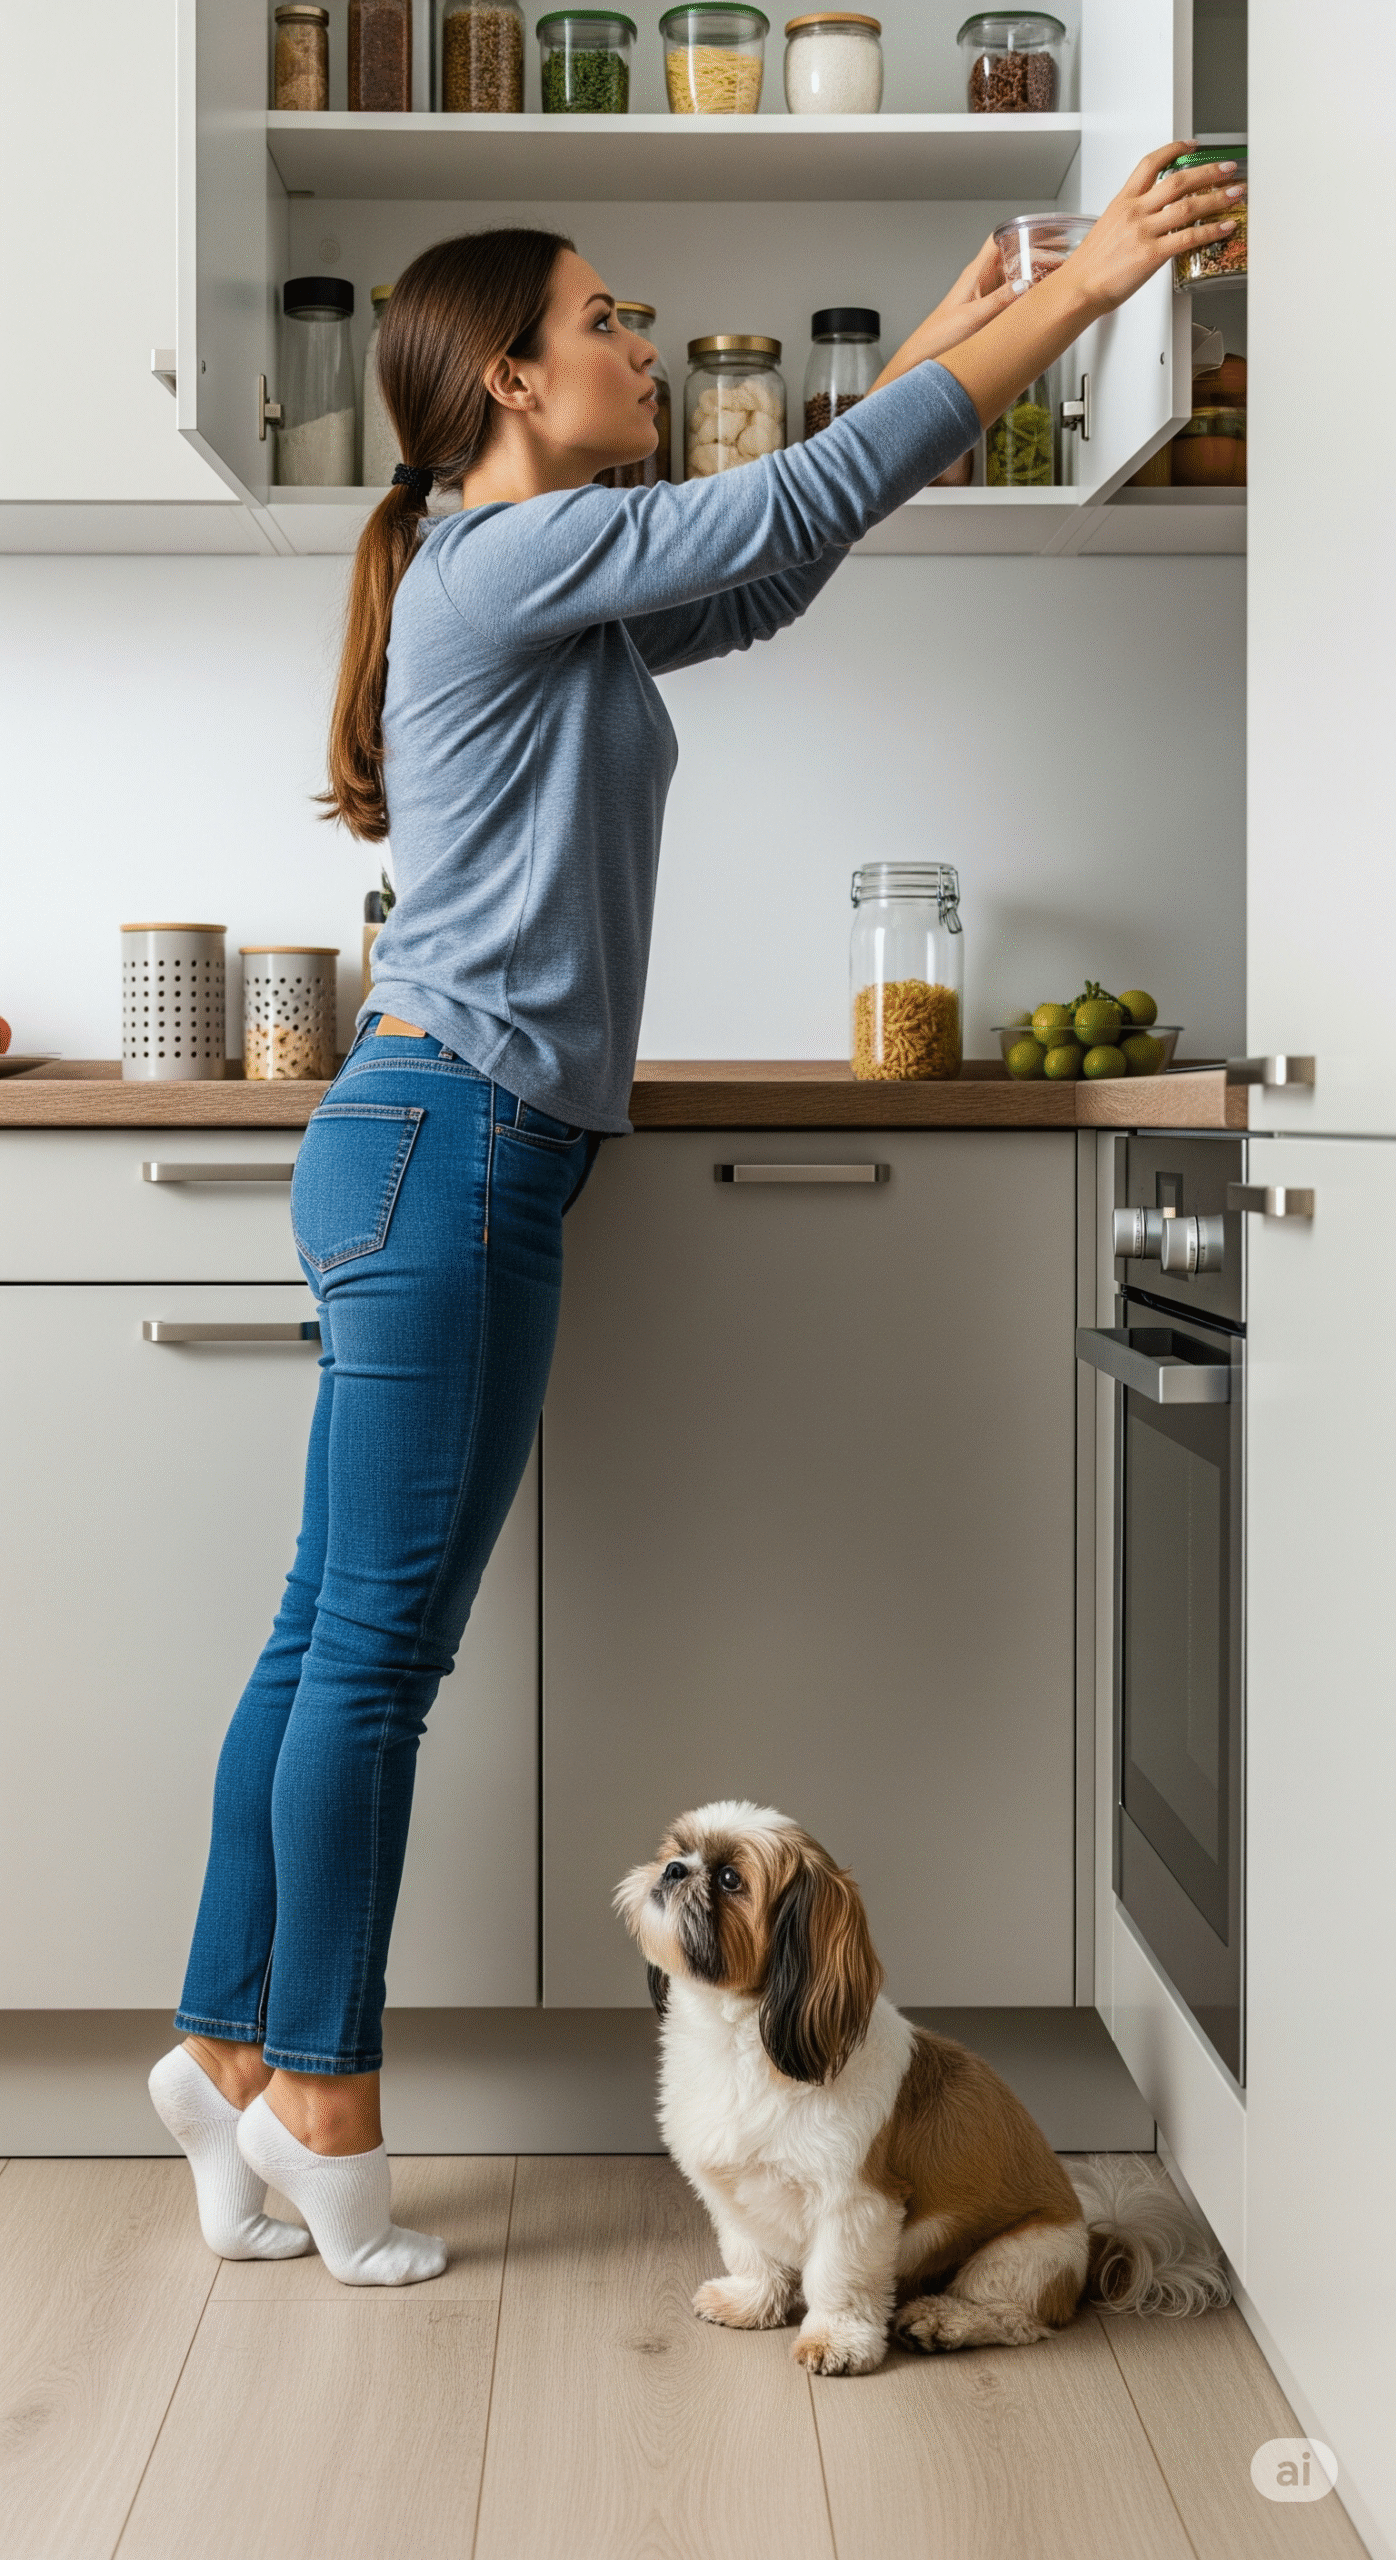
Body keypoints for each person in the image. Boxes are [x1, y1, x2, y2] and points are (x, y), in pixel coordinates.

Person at [148, 146, 1245, 2285]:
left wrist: (955, 320)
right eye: (602, 320)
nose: (639, 342)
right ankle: (325, 2096)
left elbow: (769, 562)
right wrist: (1091, 283)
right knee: (368, 1656)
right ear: (507, 384)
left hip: (456, 1149)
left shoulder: (533, 563)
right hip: (443, 1145)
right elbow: (784, 513)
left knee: (327, 1638)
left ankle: (218, 2049)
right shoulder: (499, 560)